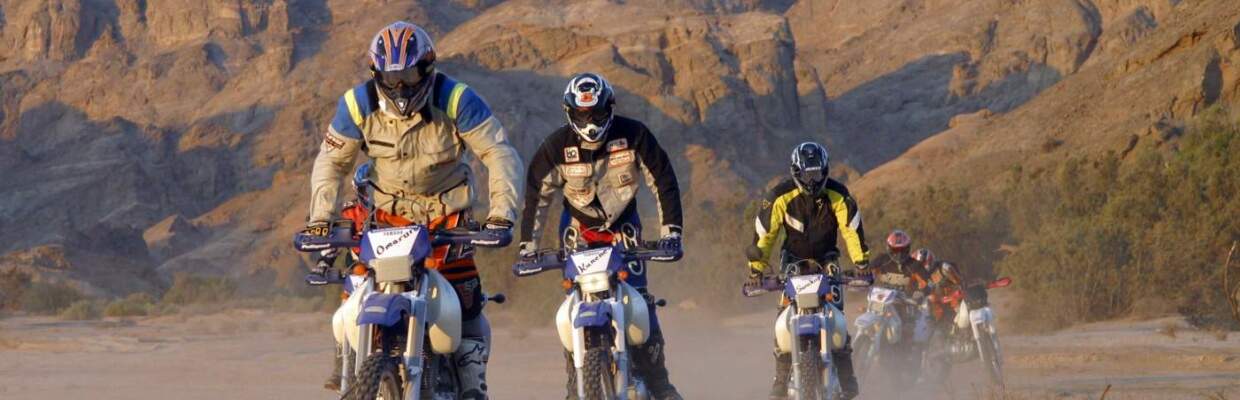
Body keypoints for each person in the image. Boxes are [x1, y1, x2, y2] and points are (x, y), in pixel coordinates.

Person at [302, 21, 523, 399]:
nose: (401, 85)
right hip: (386, 217)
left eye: (409, 74)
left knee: (465, 299)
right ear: (376, 74)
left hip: (446, 219)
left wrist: (502, 213)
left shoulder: (457, 99)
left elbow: (498, 153)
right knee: (359, 287)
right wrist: (320, 219)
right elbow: (331, 162)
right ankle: (349, 361)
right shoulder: (357, 104)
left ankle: (473, 381)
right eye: (392, 76)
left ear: (427, 67)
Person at [518, 72, 685, 400]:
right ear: (570, 112)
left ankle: (659, 381)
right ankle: (574, 378)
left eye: (596, 112)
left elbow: (663, 179)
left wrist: (671, 233)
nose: (590, 121)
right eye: (582, 114)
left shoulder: (634, 134)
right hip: (577, 234)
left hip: (625, 231)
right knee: (574, 304)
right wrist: (528, 247)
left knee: (640, 301)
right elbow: (536, 195)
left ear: (609, 107)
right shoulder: (555, 147)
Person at [747, 142, 869, 400]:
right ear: (795, 172)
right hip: (793, 261)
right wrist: (756, 270)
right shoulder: (779, 196)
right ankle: (780, 377)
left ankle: (847, 376)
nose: (812, 180)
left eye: (816, 173)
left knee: (836, 311)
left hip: (828, 260)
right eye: (806, 174)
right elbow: (765, 234)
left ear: (825, 170)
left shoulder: (839, 194)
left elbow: (851, 229)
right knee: (784, 313)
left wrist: (861, 265)